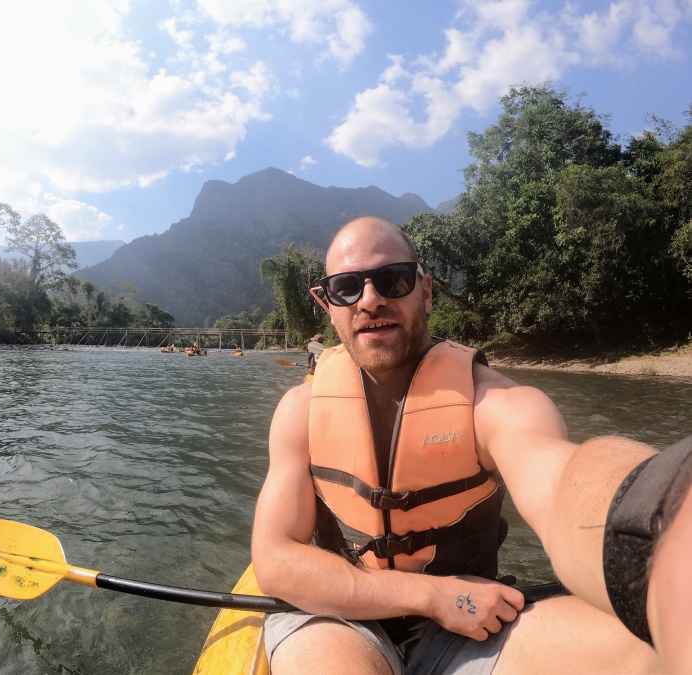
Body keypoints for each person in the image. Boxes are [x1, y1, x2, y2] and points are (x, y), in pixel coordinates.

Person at [251, 216, 692, 674]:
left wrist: (668, 528)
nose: (371, 300)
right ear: (327, 304)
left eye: (392, 280)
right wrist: (432, 596)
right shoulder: (299, 410)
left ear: (424, 289)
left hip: (469, 624)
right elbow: (276, 559)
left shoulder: (493, 402)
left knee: (648, 656)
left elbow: (562, 484)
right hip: (338, 614)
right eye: (347, 288)